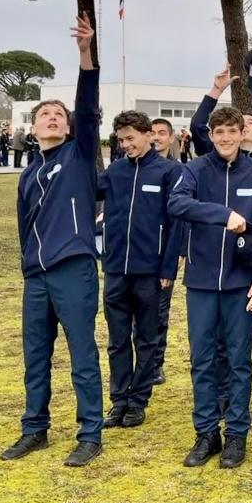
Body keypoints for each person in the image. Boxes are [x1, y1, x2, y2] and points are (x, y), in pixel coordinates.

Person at [0, 14, 104, 468]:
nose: (53, 118)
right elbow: (24, 226)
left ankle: (90, 433)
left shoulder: (79, 155)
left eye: (59, 115)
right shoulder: (28, 173)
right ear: (33, 127)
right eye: (45, 114)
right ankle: (34, 428)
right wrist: (28, 264)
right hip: (37, 276)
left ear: (69, 126)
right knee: (35, 357)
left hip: (74, 268)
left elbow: (88, 106)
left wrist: (85, 55)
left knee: (82, 354)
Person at [169, 104, 252, 469]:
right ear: (211, 135)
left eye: (233, 131)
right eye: (220, 132)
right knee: (202, 360)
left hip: (241, 283)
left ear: (243, 134)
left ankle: (236, 435)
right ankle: (206, 433)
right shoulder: (195, 170)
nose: (227, 138)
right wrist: (223, 215)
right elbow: (177, 203)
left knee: (237, 360)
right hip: (201, 282)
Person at [189, 67, 252, 424]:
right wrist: (214, 91)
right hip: (213, 277)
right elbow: (198, 126)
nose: (231, 134)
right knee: (216, 344)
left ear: (251, 133)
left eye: (241, 127)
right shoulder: (206, 165)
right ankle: (220, 400)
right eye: (223, 130)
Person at [98, 111, 182, 431]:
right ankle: (119, 399)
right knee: (117, 339)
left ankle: (138, 400)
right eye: (121, 140)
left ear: (148, 135)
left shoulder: (168, 172)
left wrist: (168, 266)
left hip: (150, 271)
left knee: (146, 338)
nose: (126, 145)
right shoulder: (116, 171)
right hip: (116, 268)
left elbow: (176, 224)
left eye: (130, 138)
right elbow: (88, 190)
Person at [148, 117, 181, 384]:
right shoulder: (135, 168)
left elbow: (181, 217)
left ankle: (156, 363)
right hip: (139, 253)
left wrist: (179, 251)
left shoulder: (178, 171)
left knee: (160, 311)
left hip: (164, 253)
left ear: (171, 138)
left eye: (162, 133)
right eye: (152, 132)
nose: (156, 137)